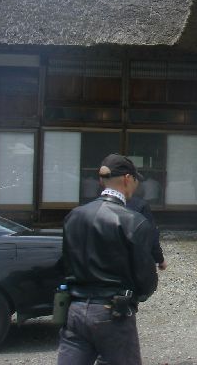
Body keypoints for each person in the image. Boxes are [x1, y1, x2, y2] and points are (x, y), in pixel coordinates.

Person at [57, 154, 159, 365]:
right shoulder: (133, 221)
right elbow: (146, 280)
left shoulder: (74, 216)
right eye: (136, 180)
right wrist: (137, 295)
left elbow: (64, 263)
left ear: (101, 180)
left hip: (75, 309)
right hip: (113, 311)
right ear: (127, 179)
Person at [126, 186, 168, 270]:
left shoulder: (102, 205)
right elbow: (151, 234)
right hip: (136, 255)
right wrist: (160, 259)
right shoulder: (141, 205)